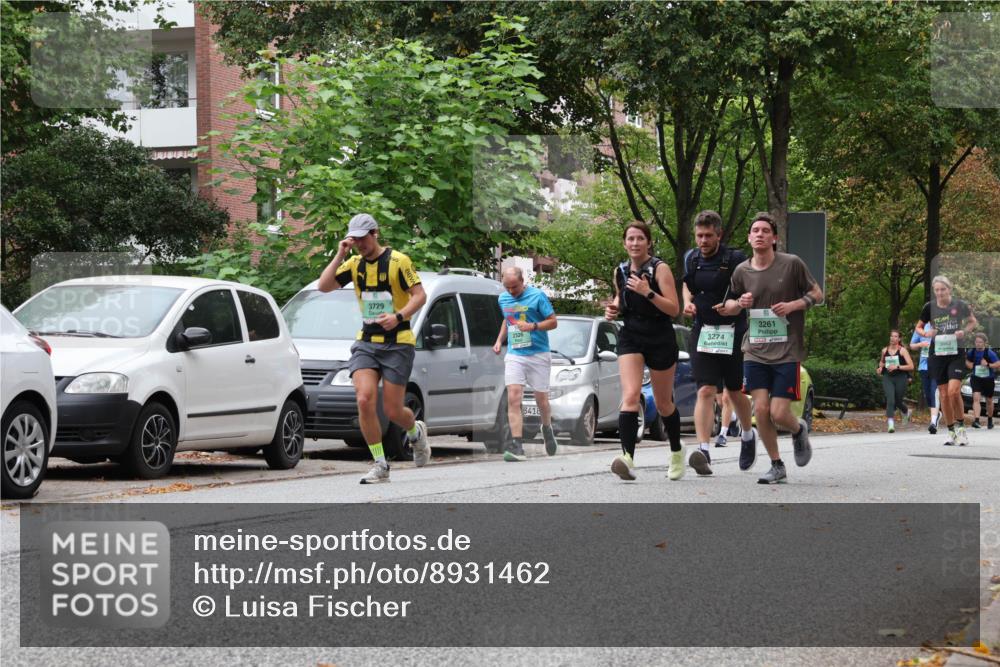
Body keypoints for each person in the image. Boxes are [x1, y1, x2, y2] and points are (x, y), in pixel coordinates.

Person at [317, 213, 430, 484]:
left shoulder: (398, 262)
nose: (359, 244)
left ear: (375, 234)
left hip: (398, 344)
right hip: (367, 343)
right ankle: (380, 464)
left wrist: (398, 317)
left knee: (392, 411)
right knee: (364, 399)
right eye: (354, 239)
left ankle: (415, 433)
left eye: (363, 238)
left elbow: (420, 296)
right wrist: (339, 254)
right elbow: (323, 286)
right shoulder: (354, 264)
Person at [719, 212, 823, 484]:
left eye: (766, 230)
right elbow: (727, 307)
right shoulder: (741, 271)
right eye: (755, 230)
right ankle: (777, 464)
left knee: (778, 412)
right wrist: (739, 304)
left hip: (787, 350)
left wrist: (793, 305)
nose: (760, 234)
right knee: (761, 410)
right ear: (749, 237)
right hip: (754, 350)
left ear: (774, 237)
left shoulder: (792, 264)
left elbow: (817, 294)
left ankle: (798, 429)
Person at [605, 221, 685, 481]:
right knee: (630, 396)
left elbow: (674, 309)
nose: (635, 243)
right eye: (630, 239)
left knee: (663, 403)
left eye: (640, 238)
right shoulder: (620, 270)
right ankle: (627, 459)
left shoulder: (660, 269)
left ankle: (676, 451)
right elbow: (621, 297)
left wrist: (648, 292)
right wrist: (613, 308)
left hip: (660, 336)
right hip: (631, 335)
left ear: (648, 242)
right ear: (624, 242)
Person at [680, 210, 756, 476]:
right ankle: (703, 450)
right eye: (699, 235)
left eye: (708, 236)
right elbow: (686, 285)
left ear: (719, 235)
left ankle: (747, 436)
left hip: (732, 331)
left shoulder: (735, 259)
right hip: (703, 330)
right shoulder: (691, 257)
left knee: (734, 392)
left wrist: (735, 306)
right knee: (705, 390)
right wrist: (687, 303)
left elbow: (750, 292)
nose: (703, 241)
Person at [492, 266, 559, 461]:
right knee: (513, 397)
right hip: (515, 354)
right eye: (507, 287)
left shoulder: (537, 296)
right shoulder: (502, 298)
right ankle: (517, 445)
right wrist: (499, 341)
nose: (511, 291)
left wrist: (533, 326)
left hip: (538, 353)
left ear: (523, 282)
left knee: (542, 401)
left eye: (515, 287)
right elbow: (507, 320)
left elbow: (553, 322)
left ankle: (546, 428)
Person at [915, 275, 978, 446]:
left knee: (953, 391)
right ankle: (951, 431)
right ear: (934, 291)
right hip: (937, 354)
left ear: (949, 289)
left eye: (943, 289)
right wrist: (926, 333)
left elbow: (972, 322)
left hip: (956, 353)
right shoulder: (929, 307)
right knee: (943, 394)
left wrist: (964, 331)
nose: (940, 293)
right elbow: (918, 327)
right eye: (937, 290)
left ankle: (961, 429)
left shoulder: (959, 305)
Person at [877, 329, 915, 433]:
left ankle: (906, 411)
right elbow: (881, 363)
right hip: (888, 377)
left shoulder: (902, 350)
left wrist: (897, 367)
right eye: (891, 336)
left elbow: (911, 366)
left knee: (898, 400)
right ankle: (890, 424)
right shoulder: (884, 350)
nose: (893, 338)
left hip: (901, 378)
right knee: (890, 399)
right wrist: (880, 368)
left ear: (899, 339)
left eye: (895, 336)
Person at [910, 326, 941, 434]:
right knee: (928, 394)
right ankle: (937, 414)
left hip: (937, 366)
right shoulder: (920, 328)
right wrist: (920, 344)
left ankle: (933, 422)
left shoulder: (942, 325)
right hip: (924, 366)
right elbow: (912, 345)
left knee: (933, 393)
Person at [966, 333, 999, 429]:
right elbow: (967, 361)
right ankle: (976, 420)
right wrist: (970, 365)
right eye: (976, 342)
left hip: (988, 378)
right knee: (976, 398)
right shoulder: (972, 352)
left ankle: (990, 419)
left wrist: (988, 365)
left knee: (989, 400)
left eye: (980, 342)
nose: (978, 344)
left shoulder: (989, 353)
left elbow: (998, 364)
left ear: (985, 343)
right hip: (976, 378)